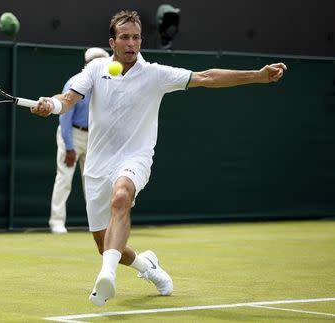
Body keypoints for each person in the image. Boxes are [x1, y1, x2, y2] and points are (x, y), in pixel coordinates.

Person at [30, 10, 286, 306]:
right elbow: (68, 100)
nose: (131, 43)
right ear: (113, 42)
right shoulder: (95, 69)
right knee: (105, 245)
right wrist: (50, 104)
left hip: (134, 157)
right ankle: (147, 266)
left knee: (121, 198)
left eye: (136, 37)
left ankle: (107, 278)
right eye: (125, 37)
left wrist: (257, 75)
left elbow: (206, 77)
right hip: (98, 165)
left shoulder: (155, 74)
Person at [49, 47, 110, 234]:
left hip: (94, 137)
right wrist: (69, 146)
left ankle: (99, 224)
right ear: (87, 65)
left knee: (93, 182)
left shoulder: (108, 84)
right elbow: (65, 117)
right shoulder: (75, 83)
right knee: (64, 179)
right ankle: (57, 222)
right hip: (72, 135)